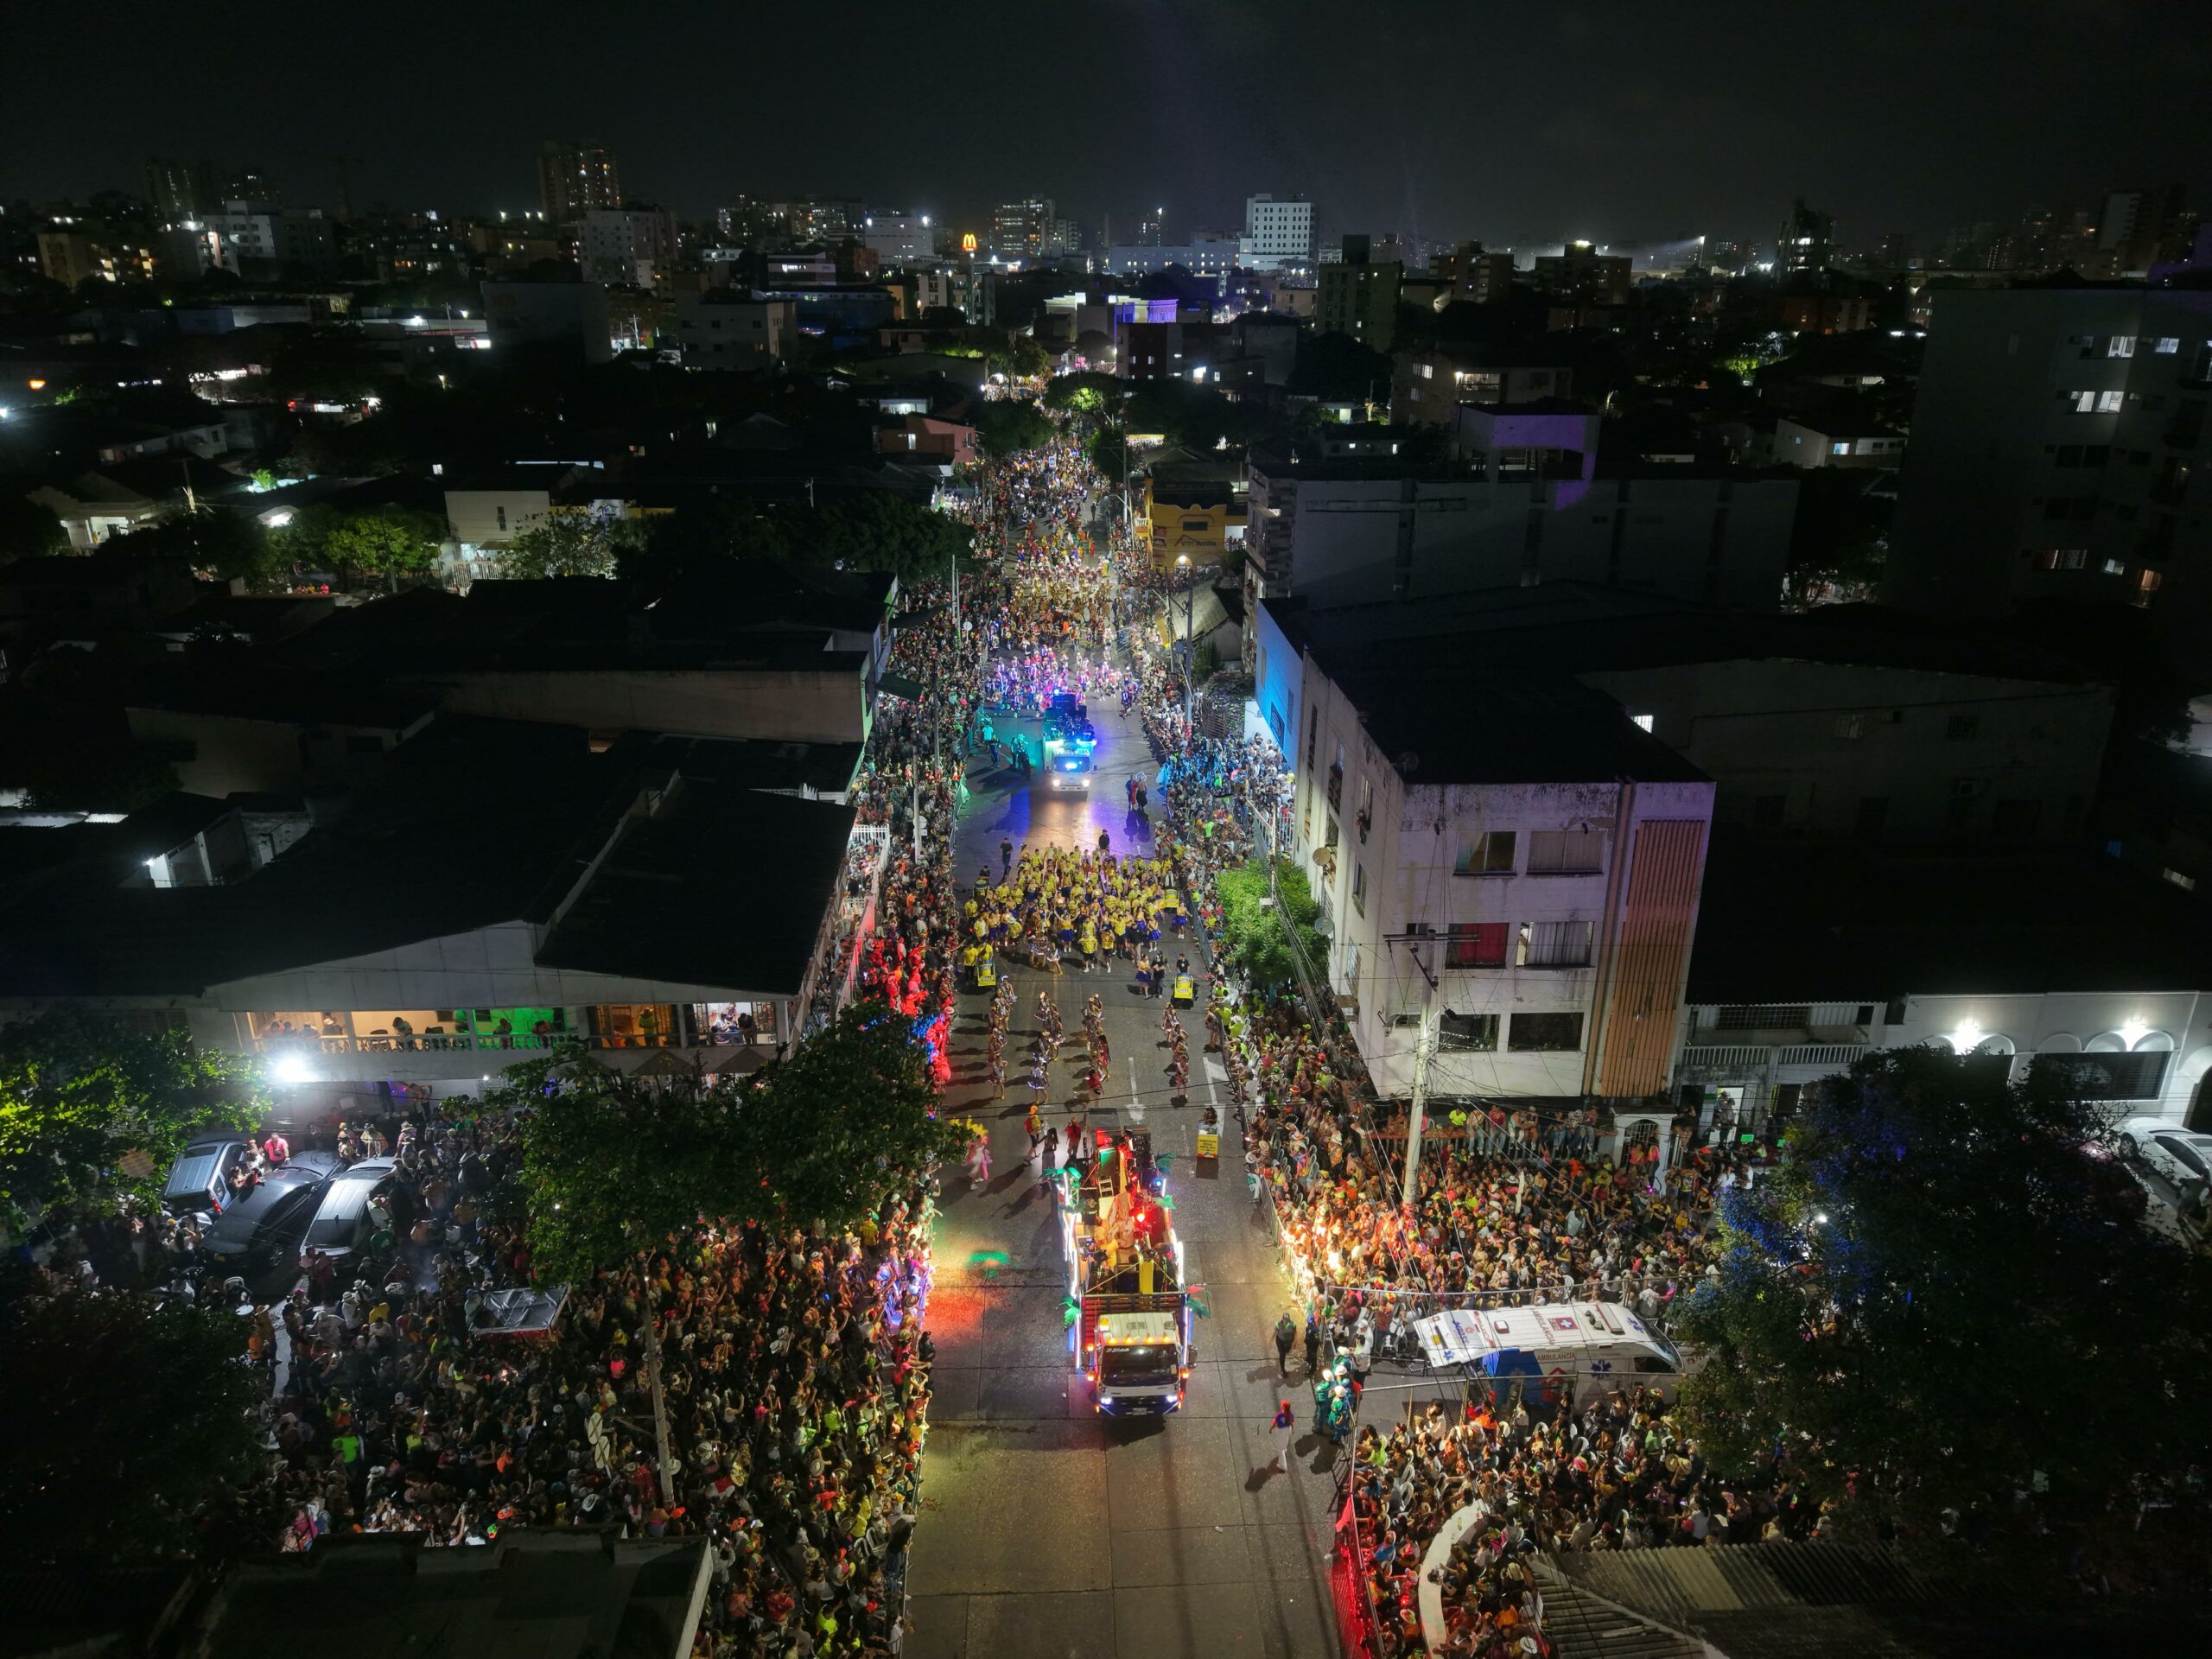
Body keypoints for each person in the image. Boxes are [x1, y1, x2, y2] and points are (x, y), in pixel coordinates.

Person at [1268, 1398, 1296, 1473]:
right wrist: (1292, 1429)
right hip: (1288, 1429)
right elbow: (1291, 1422)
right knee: (1285, 1440)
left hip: (1280, 1431)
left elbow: (1275, 1424)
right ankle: (1284, 1449)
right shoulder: (1291, 1415)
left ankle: (1283, 1466)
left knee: (1280, 1449)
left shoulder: (1279, 1415)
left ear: (1283, 1407)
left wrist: (1270, 1429)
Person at [1274, 1311, 1297, 1379]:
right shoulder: (1279, 1324)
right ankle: (1282, 1370)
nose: (1286, 1320)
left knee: (1287, 1351)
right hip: (1280, 1341)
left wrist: (1295, 1341)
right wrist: (1271, 1338)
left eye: (1287, 1319)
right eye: (1285, 1319)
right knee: (1282, 1355)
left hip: (1289, 1342)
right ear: (1283, 1319)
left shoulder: (1293, 1324)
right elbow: (1275, 1332)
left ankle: (1284, 1353)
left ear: (1289, 1319)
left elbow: (1295, 1333)